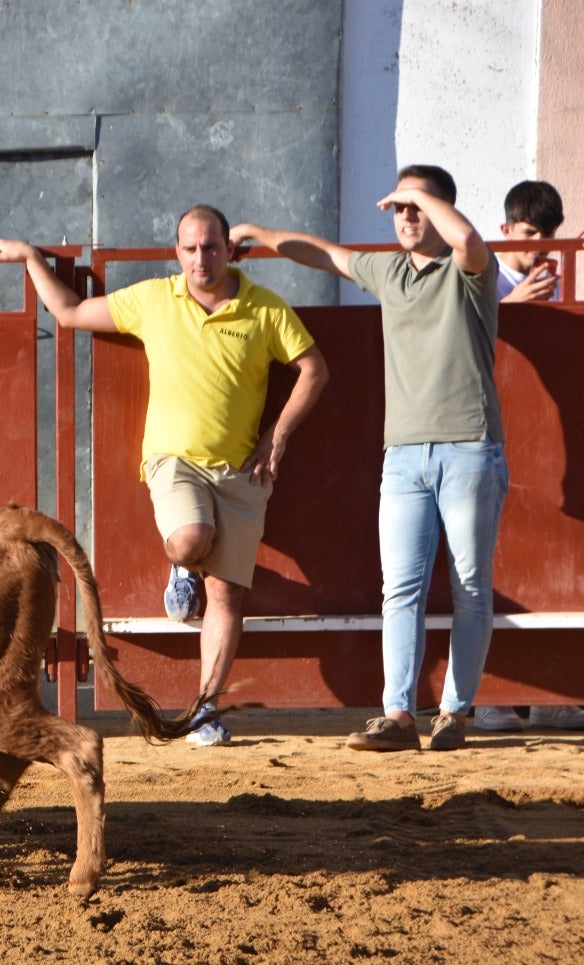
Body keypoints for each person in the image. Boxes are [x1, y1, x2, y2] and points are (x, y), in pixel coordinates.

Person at [0, 207, 328, 747]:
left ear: (229, 250)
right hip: (175, 459)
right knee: (191, 540)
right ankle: (182, 565)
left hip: (240, 471)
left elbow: (314, 368)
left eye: (211, 247)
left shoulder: (264, 308)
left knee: (228, 597)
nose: (200, 259)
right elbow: (70, 312)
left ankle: (204, 709)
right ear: (177, 252)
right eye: (190, 249)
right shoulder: (155, 299)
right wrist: (31, 256)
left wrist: (277, 435)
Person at [234, 165, 507, 753]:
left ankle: (455, 714)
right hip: (403, 454)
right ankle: (398, 716)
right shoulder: (388, 271)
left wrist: (417, 194)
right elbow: (325, 255)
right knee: (400, 588)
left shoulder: (468, 272)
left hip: (469, 447)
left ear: (440, 209)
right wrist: (258, 229)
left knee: (470, 587)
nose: (406, 217)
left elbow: (469, 242)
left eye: (418, 207)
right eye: (400, 209)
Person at [473, 181, 584, 732]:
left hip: (545, 448)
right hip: (485, 437)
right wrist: (510, 310)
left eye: (550, 234)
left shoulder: (559, 273)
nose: (542, 244)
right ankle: (488, 693)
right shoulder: (481, 275)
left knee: (549, 562)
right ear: (507, 229)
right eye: (530, 233)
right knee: (487, 565)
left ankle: (549, 694)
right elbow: (459, 343)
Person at [494, 180, 565, 304]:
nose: (539, 241)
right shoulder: (486, 279)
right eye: (529, 233)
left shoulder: (555, 285)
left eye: (547, 233)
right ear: (507, 231)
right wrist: (511, 304)